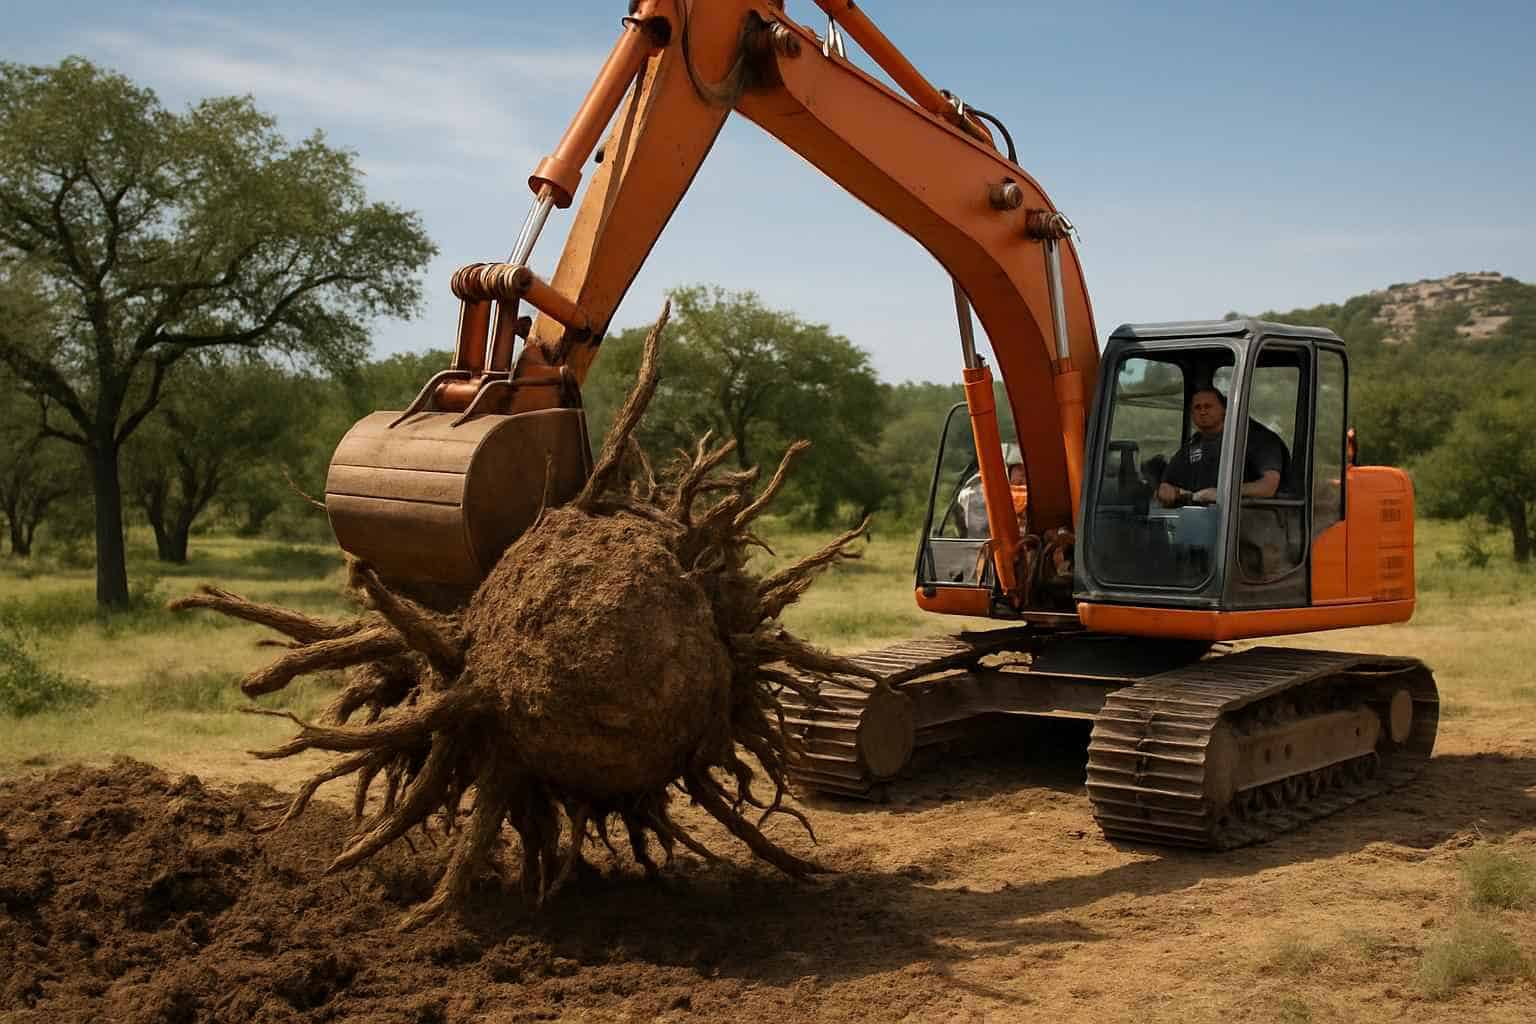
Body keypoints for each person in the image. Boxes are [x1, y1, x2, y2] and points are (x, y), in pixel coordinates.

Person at [1156, 387, 1284, 506]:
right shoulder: (1193, 445)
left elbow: (1268, 487)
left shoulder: (1255, 438)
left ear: (1224, 409)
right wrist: (1167, 491)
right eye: (1197, 407)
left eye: (1208, 406)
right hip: (1205, 520)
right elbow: (1166, 485)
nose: (1203, 412)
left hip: (1254, 520)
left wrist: (1222, 493)